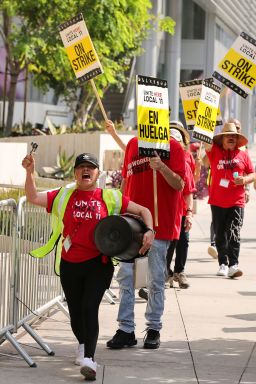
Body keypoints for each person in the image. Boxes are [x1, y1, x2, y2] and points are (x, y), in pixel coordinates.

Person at [22, 152, 154, 381]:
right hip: (70, 263)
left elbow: (144, 211)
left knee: (89, 307)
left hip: (98, 264)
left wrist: (150, 231)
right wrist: (29, 171)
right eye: (81, 167)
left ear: (97, 173)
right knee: (75, 311)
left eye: (90, 167)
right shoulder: (63, 195)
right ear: (75, 172)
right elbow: (33, 197)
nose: (86, 170)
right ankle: (83, 345)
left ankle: (90, 360)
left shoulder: (110, 196)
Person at [106, 121, 185, 350]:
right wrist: (119, 214)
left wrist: (162, 168)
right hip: (131, 224)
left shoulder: (173, 147)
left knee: (155, 279)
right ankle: (126, 329)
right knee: (126, 277)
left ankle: (153, 328)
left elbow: (179, 184)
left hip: (160, 224)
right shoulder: (132, 145)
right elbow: (126, 183)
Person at [205, 122, 255, 278]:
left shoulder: (243, 155)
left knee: (234, 232)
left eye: (234, 136)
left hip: (236, 201)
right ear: (222, 139)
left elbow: (253, 174)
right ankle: (223, 264)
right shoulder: (214, 151)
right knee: (220, 235)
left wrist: (245, 180)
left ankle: (234, 264)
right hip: (217, 201)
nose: (231, 138)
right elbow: (205, 141)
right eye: (228, 136)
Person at [166, 126, 196, 289]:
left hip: (181, 212)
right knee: (166, 245)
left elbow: (189, 190)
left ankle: (179, 272)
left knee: (183, 243)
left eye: (176, 143)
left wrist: (189, 213)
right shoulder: (157, 164)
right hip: (164, 213)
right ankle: (166, 273)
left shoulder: (185, 164)